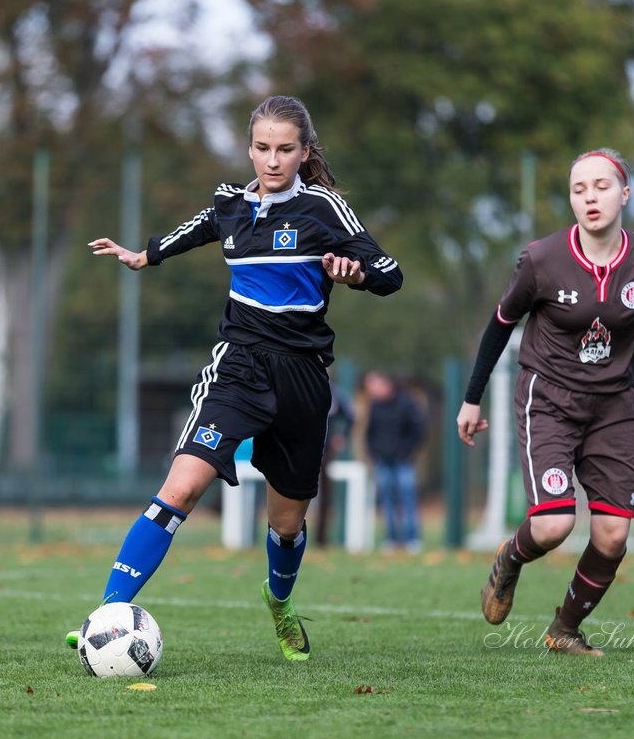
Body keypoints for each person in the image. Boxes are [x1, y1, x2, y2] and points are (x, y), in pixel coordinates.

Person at [74, 95, 403, 662]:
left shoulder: (323, 208)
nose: (271, 161)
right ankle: (104, 618)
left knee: (287, 523)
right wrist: (146, 255)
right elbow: (201, 228)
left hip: (302, 379)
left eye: (284, 150)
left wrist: (355, 276)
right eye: (261, 148)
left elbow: (390, 273)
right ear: (248, 148)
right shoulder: (231, 204)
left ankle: (279, 601)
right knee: (179, 489)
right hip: (239, 367)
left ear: (304, 152)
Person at [457, 148, 634, 656]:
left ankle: (563, 630)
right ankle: (510, 560)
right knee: (553, 524)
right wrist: (471, 399)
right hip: (548, 399)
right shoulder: (542, 259)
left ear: (625, 194)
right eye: (579, 189)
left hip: (612, 407)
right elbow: (500, 326)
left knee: (612, 536)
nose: (590, 197)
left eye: (602, 186)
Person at [363, 370, 427, 553]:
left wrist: (405, 452)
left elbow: (418, 431)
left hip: (403, 461)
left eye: (373, 386)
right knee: (387, 501)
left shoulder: (406, 403)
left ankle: (412, 540)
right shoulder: (375, 406)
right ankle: (392, 540)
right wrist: (373, 451)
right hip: (383, 461)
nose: (371, 391)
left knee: (408, 499)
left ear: (386, 384)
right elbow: (370, 432)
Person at [313, 368, 355, 547]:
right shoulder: (301, 389)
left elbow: (350, 416)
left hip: (324, 452)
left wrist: (342, 435)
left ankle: (321, 538)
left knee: (324, 496)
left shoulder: (335, 394)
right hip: (299, 449)